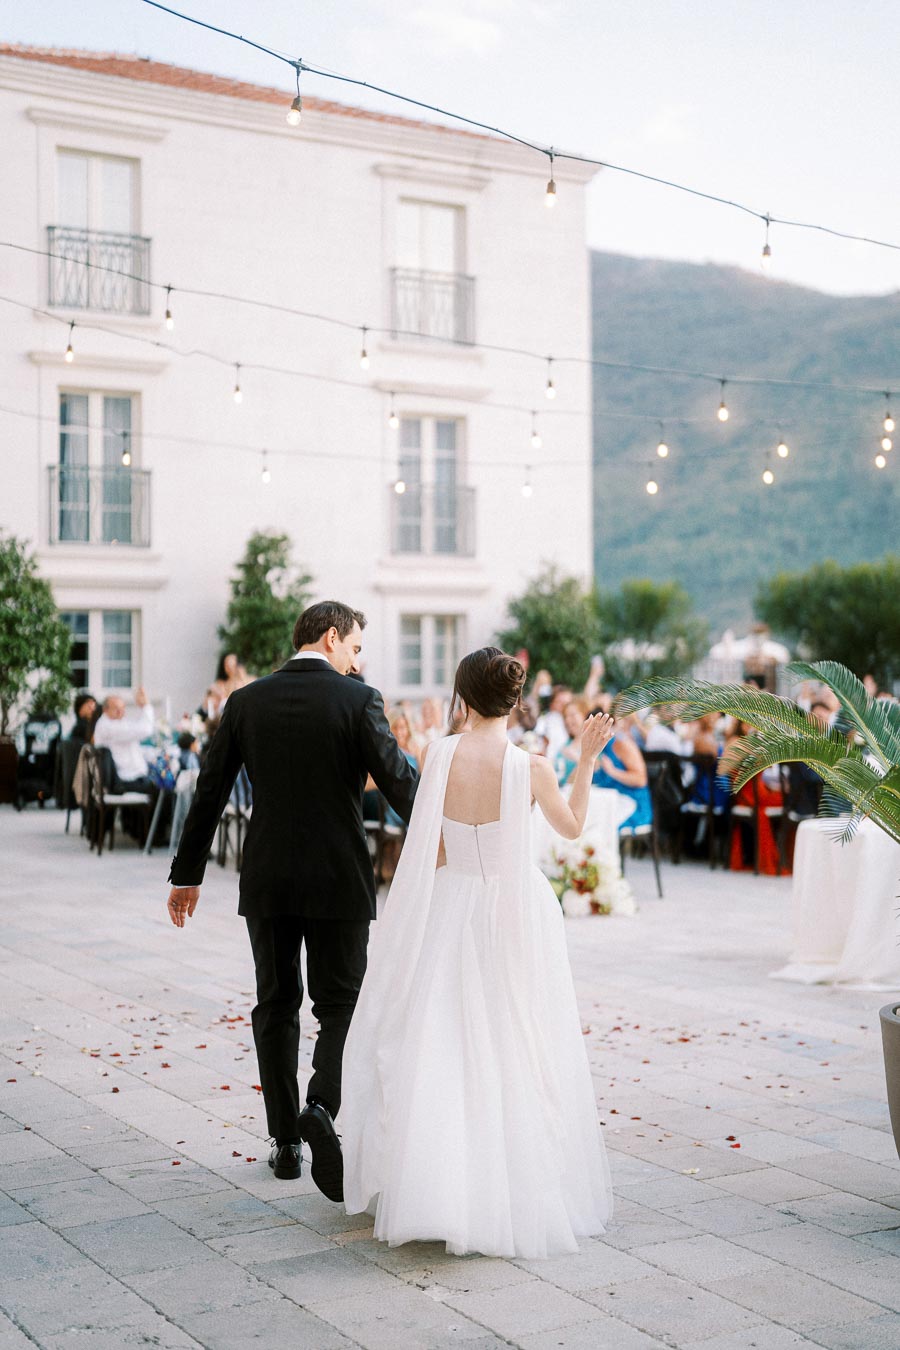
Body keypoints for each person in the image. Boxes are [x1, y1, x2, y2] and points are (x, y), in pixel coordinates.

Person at [341, 648, 616, 1258]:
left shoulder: (437, 754)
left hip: (451, 900)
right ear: (515, 700)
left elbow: (432, 842)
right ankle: (506, 1188)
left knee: (442, 1034)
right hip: (513, 907)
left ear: (462, 696)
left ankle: (436, 1186)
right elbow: (572, 826)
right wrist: (587, 759)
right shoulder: (531, 767)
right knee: (513, 1032)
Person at [165, 601, 418, 1203]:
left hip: (270, 879)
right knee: (341, 1005)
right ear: (331, 637)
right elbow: (401, 784)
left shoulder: (245, 702)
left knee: (276, 1004)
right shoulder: (359, 701)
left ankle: (284, 1143)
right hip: (339, 880)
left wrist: (187, 873)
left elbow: (210, 791)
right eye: (355, 648)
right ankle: (321, 1108)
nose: (357, 662)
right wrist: (454, 831)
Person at [591, 723, 653, 832]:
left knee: (599, 823)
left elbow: (641, 780)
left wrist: (612, 771)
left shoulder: (622, 744)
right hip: (610, 802)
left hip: (633, 805)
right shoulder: (595, 749)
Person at [92, 688, 155, 792]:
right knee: (165, 790)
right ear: (105, 710)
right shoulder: (107, 726)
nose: (121, 712)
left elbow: (133, 744)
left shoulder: (119, 723)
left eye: (123, 708)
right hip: (124, 780)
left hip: (133, 777)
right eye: (116, 708)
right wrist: (146, 706)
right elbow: (145, 730)